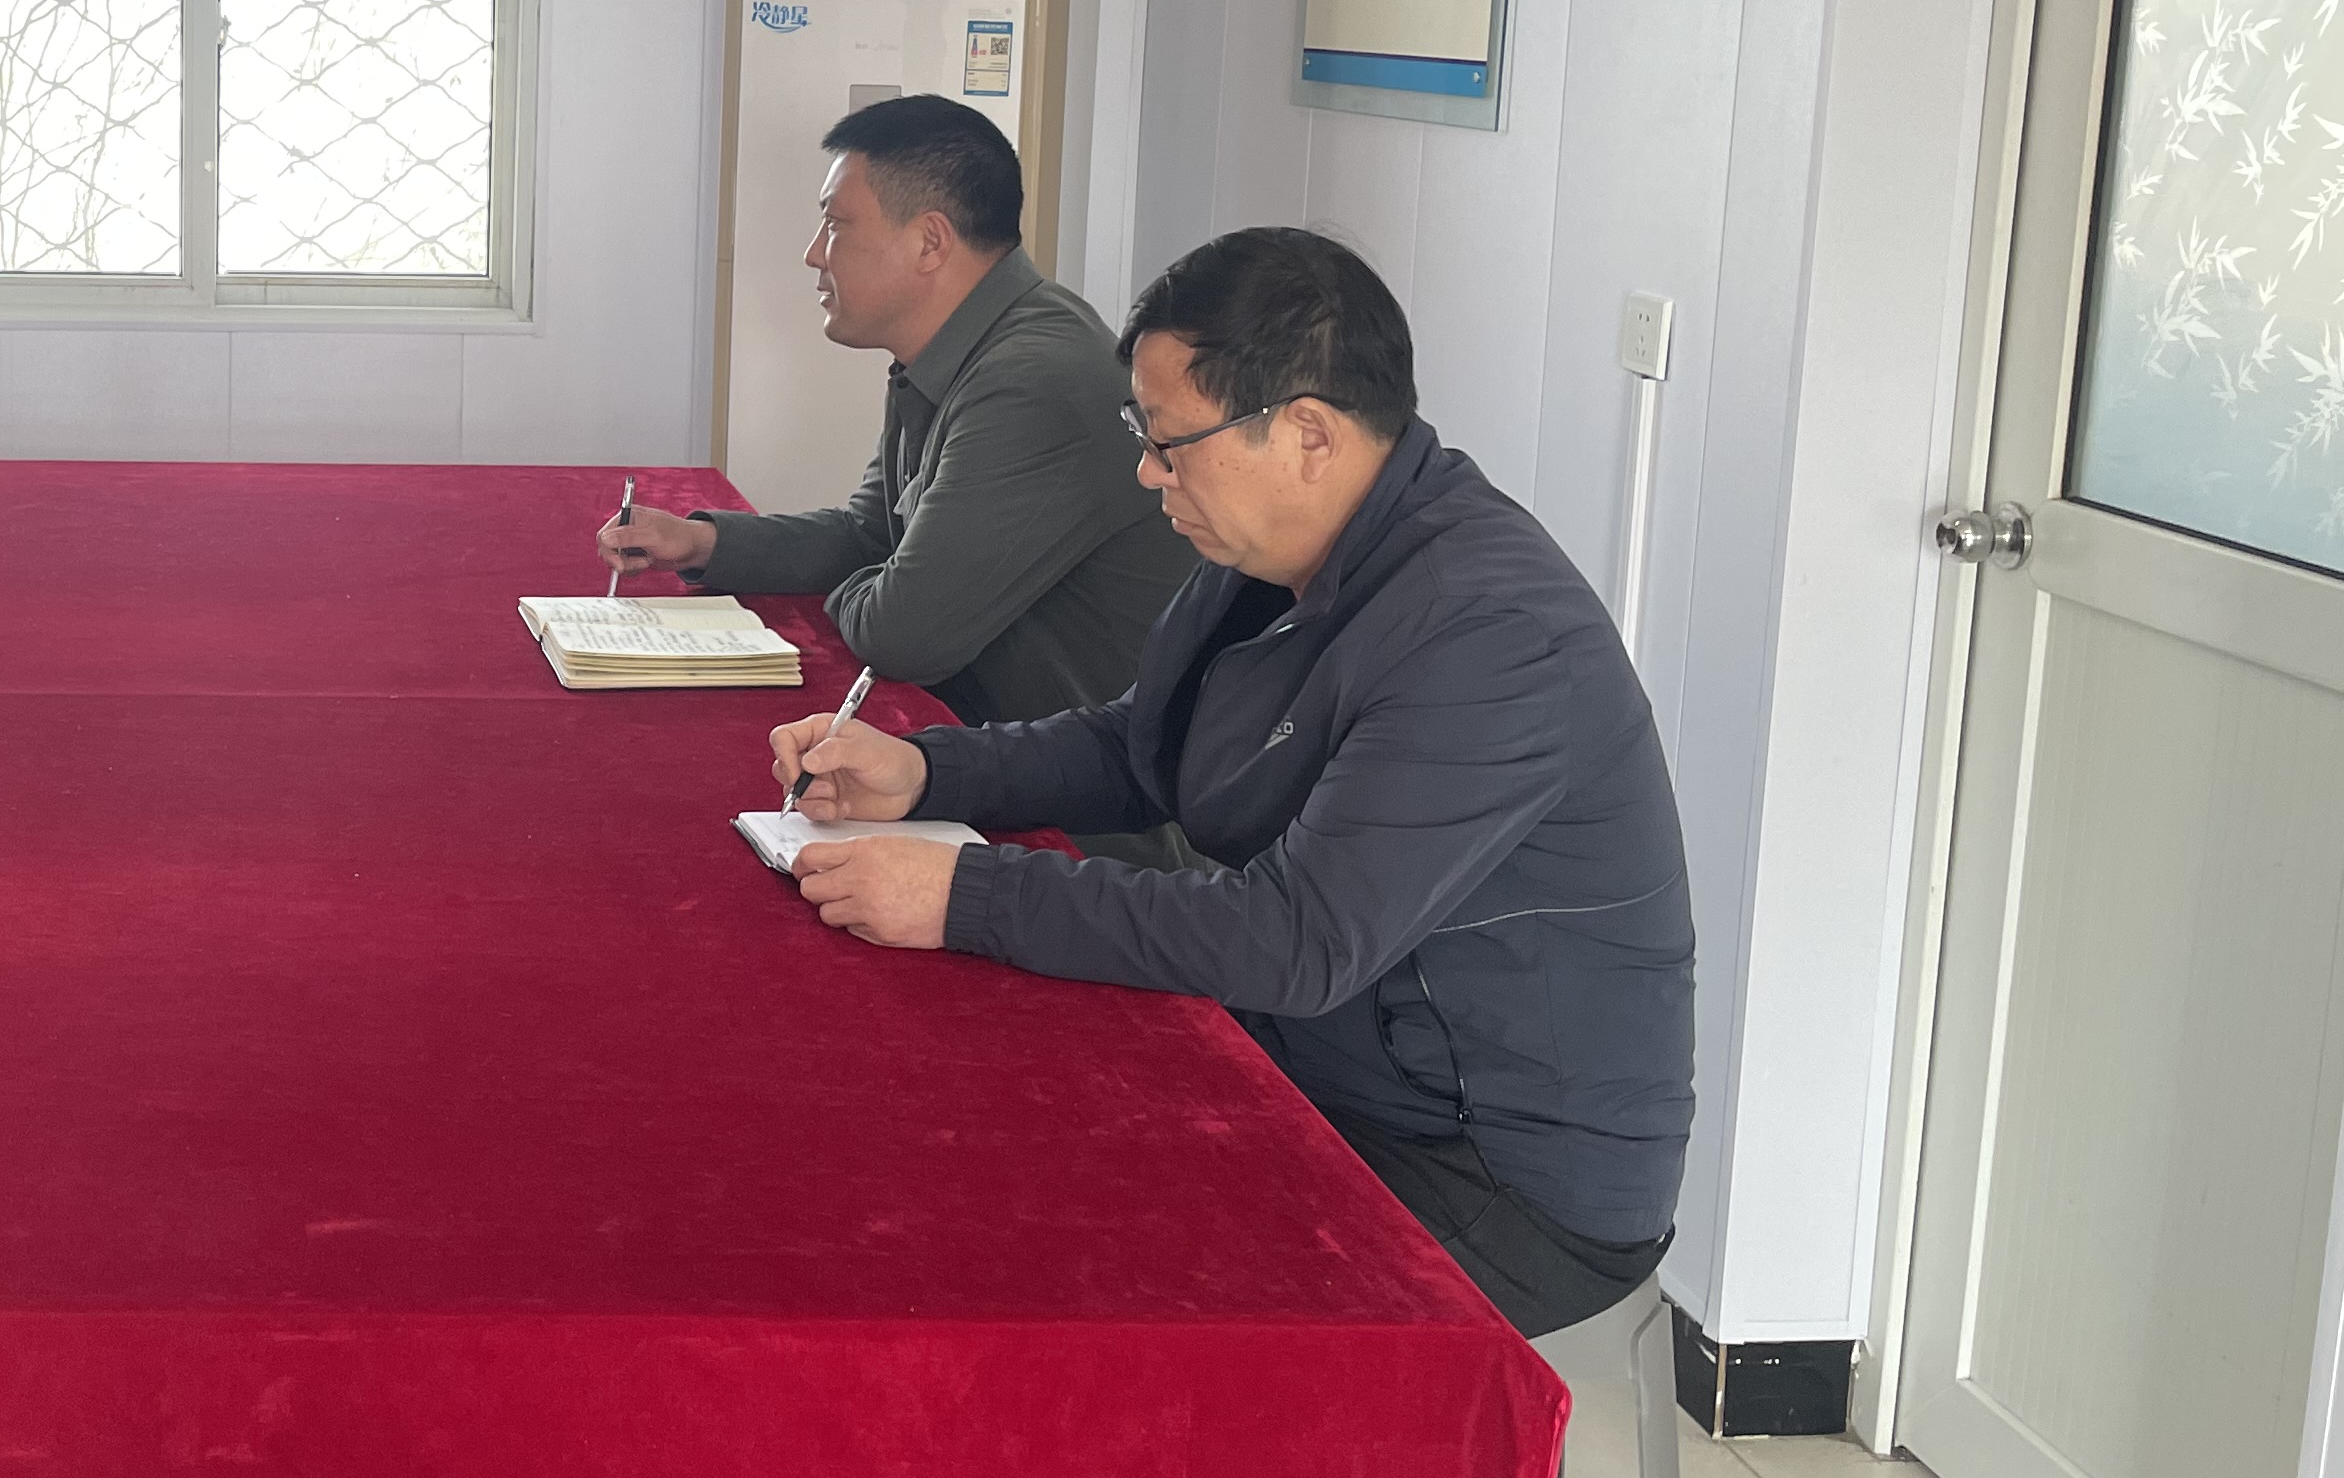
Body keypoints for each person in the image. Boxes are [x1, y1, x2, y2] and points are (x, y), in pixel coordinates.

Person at [770, 225, 1694, 1336]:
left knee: (1080, 1277)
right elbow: (1140, 745)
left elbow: (1296, 940)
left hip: (1492, 1171)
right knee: (975, 1127)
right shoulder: (1282, 553)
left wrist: (967, 894)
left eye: (1172, 444)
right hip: (1328, 1058)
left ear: (1307, 435)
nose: (1149, 474)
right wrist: (926, 771)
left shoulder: (1487, 631)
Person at [600, 95, 1188, 729]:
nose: (814, 253)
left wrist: (877, 583)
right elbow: (870, 535)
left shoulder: (1034, 381)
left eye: (836, 225)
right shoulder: (963, 345)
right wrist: (702, 542)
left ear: (930, 241)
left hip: (1064, 777)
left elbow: (902, 635)